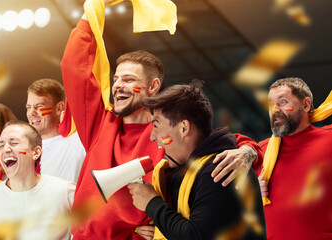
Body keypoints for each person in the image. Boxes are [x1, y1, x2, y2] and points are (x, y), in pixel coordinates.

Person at [61, 15, 263, 239]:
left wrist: (248, 150)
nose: (117, 85)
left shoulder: (169, 135)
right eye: (116, 79)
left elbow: (213, 142)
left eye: (128, 80)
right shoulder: (99, 124)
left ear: (153, 86)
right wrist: (92, 11)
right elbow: (74, 69)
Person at [127, 82, 266, 240]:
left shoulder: (219, 169)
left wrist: (152, 204)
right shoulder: (190, 170)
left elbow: (195, 236)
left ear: (184, 128)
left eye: (156, 125)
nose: (152, 136)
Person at [0, 120, 75, 239]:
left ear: (36, 152)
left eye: (14, 143)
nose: (5, 149)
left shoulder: (65, 191)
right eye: (1, 145)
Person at [258, 77, 332, 239]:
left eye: (282, 102)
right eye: (271, 104)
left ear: (306, 105)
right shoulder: (259, 152)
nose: (274, 110)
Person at [26, 79, 85, 182]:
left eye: (39, 106)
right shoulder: (26, 148)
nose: (31, 113)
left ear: (59, 108)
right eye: (28, 107)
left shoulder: (78, 141)